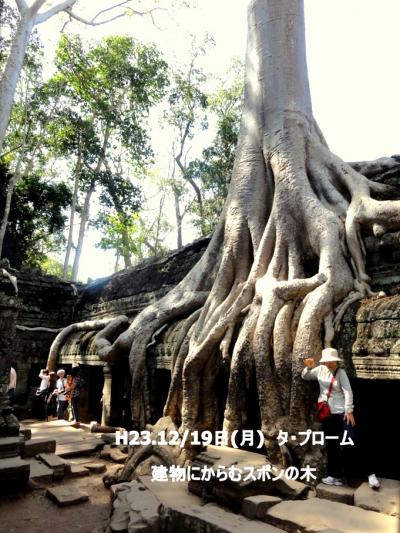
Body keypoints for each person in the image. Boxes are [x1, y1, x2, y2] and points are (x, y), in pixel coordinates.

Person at [302, 347, 380, 489]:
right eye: (327, 361)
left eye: (332, 361)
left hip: (342, 413)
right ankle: (334, 475)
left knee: (353, 440)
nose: (330, 363)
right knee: (332, 445)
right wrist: (308, 367)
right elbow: (305, 376)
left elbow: (348, 391)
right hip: (327, 414)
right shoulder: (320, 370)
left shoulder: (340, 373)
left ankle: (370, 474)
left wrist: (349, 410)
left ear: (336, 361)